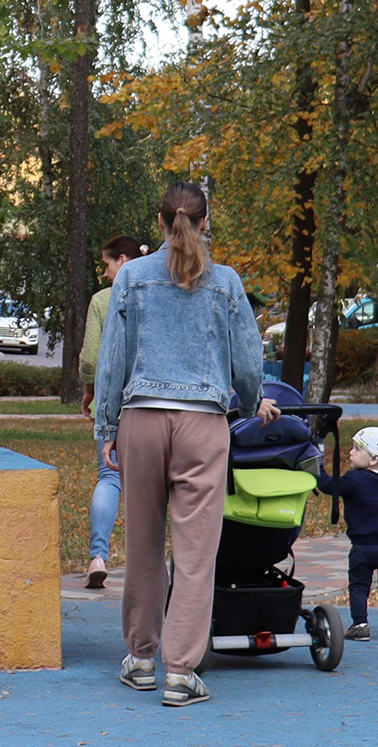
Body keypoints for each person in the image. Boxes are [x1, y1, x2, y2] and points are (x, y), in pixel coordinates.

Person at [94, 181, 280, 707]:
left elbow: (113, 359)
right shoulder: (225, 283)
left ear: (159, 224)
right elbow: (248, 363)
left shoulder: (130, 276)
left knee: (145, 545)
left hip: (142, 420)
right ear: (204, 222)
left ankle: (140, 658)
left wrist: (106, 428)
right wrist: (249, 400)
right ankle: (181, 672)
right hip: (203, 424)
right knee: (197, 553)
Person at [78, 235, 147, 589]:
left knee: (110, 478)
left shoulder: (103, 301)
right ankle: (151, 569)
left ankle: (98, 556)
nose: (104, 274)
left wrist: (90, 390)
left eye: (106, 265)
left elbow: (91, 357)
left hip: (115, 404)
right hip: (153, 404)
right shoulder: (156, 294)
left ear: (122, 260)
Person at [316, 426, 378, 641]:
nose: (350, 453)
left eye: (357, 449)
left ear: (372, 459)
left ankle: (360, 624)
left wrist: (317, 465)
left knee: (359, 585)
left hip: (363, 547)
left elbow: (327, 485)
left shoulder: (354, 479)